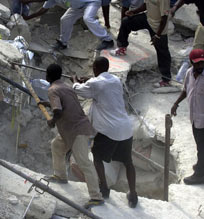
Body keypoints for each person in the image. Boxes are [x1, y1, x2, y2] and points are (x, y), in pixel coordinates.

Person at [72, 57, 138, 208]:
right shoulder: (115, 80)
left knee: (97, 155)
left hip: (109, 130)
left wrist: (75, 80)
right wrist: (88, 80)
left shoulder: (95, 84)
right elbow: (98, 84)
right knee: (128, 162)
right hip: (126, 128)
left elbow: (80, 91)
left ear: (95, 68)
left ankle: (104, 187)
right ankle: (133, 194)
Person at [39, 63, 104, 208]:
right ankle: (61, 175)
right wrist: (48, 104)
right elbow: (64, 106)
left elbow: (58, 111)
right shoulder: (66, 87)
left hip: (76, 131)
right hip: (72, 130)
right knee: (56, 146)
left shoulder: (52, 90)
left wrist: (52, 121)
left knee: (84, 163)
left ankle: (96, 196)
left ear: (47, 76)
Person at [110, 0, 172, 87]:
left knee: (162, 51)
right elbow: (146, 5)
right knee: (126, 21)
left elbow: (164, 18)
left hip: (158, 26)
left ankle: (166, 79)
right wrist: (134, 12)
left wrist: (158, 35)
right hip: (148, 17)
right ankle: (122, 47)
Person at [23, 0, 114, 50]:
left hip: (91, 2)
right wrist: (28, 17)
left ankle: (107, 40)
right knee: (65, 19)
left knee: (87, 18)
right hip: (77, 7)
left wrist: (28, 1)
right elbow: (43, 10)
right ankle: (63, 43)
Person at [171, 49, 204, 185]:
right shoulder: (189, 73)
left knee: (202, 147)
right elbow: (186, 90)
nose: (200, 66)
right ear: (191, 63)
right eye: (197, 63)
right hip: (195, 117)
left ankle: (199, 175)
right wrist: (176, 104)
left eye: (202, 62)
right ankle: (201, 164)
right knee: (200, 145)